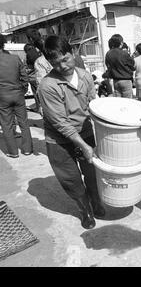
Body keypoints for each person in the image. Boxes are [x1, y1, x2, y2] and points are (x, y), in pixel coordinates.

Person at [38, 35, 105, 230]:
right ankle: (84, 210)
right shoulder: (47, 86)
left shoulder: (85, 76)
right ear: (50, 63)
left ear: (73, 53)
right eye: (56, 63)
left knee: (92, 173)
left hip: (85, 132)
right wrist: (83, 146)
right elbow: (60, 123)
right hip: (59, 140)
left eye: (65, 59)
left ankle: (96, 200)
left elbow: (94, 105)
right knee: (70, 179)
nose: (63, 66)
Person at [0, 34, 33, 158]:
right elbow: (24, 76)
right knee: (24, 123)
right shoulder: (15, 58)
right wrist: (23, 89)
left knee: (6, 125)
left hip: (2, 96)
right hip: (18, 94)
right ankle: (27, 149)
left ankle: (13, 152)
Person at [24, 43, 41, 113]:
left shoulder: (28, 56)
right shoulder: (38, 54)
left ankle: (39, 108)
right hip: (40, 77)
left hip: (32, 78)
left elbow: (28, 68)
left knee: (36, 94)